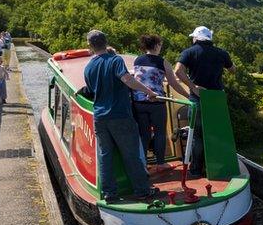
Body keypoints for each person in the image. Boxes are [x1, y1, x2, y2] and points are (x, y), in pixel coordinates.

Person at [82, 30, 161, 202]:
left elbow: (90, 91)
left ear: (90, 46)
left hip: (100, 117)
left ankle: (109, 194)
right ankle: (142, 191)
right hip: (120, 115)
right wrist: (149, 91)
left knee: (105, 155)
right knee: (131, 154)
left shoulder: (88, 67)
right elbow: (127, 79)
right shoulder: (115, 60)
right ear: (106, 41)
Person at [174, 26, 234, 179]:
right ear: (209, 38)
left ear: (195, 38)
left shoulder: (189, 52)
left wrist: (193, 87)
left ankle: (195, 171)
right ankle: (217, 170)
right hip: (217, 99)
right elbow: (233, 69)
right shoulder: (221, 53)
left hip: (198, 98)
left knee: (197, 136)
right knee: (217, 135)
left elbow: (178, 71)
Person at [133, 34, 190, 172]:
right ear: (157, 45)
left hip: (139, 101)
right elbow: (173, 83)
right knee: (159, 133)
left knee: (144, 134)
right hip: (156, 102)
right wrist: (188, 95)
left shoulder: (137, 60)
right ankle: (160, 163)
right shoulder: (163, 62)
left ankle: (143, 163)